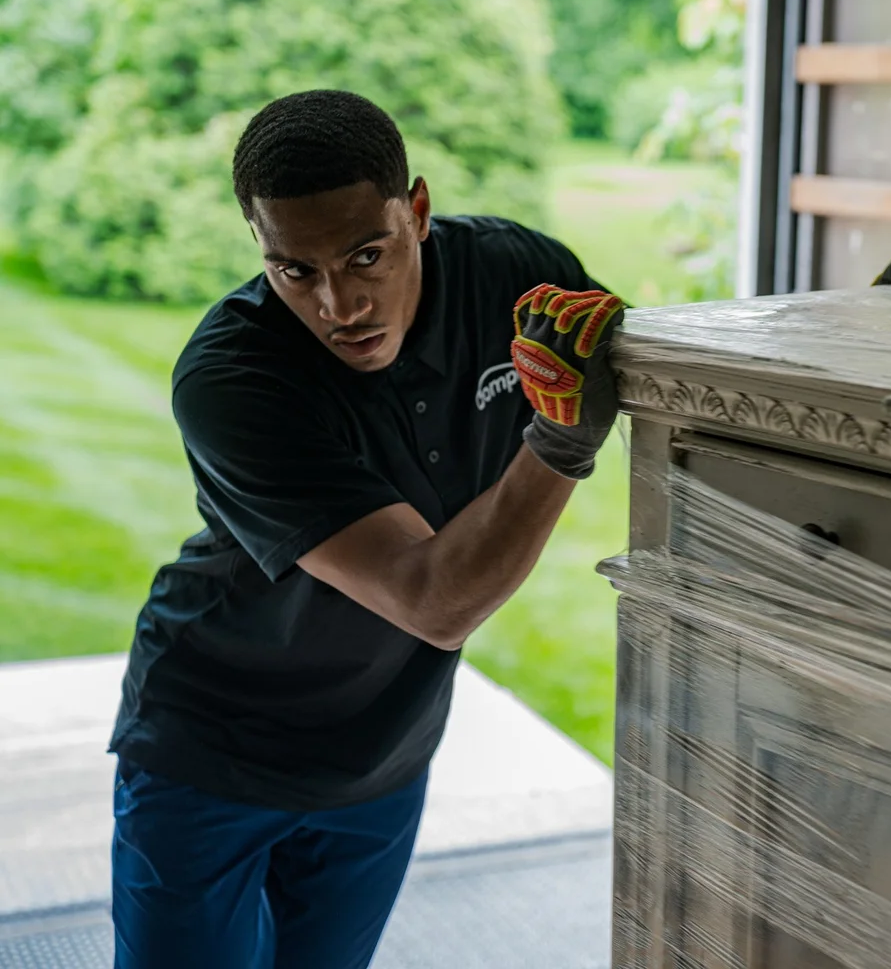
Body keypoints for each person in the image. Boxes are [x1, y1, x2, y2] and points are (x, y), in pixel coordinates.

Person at [107, 89, 624, 968]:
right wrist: (561, 441)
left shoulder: (513, 275)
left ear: (416, 211)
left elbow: (649, 368)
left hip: (382, 759)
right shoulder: (234, 378)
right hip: (211, 752)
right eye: (294, 271)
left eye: (366, 255)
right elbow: (434, 600)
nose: (339, 304)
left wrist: (865, 348)